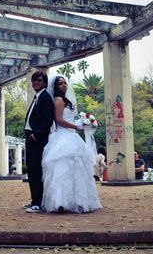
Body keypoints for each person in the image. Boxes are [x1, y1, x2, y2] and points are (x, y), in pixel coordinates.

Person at [41, 75, 101, 213]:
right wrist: (76, 127)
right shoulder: (58, 100)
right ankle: (61, 202)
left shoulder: (65, 100)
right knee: (63, 169)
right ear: (55, 87)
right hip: (63, 136)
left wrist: (82, 122)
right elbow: (58, 120)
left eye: (65, 83)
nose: (64, 85)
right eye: (60, 84)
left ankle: (75, 201)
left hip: (71, 136)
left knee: (75, 170)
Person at [23, 71, 55, 213]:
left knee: (37, 171)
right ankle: (34, 200)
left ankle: (38, 202)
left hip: (38, 140)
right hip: (30, 138)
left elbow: (48, 120)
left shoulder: (45, 98)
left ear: (45, 83)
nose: (36, 82)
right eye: (34, 80)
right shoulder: (37, 97)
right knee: (31, 170)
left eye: (39, 80)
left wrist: (36, 135)